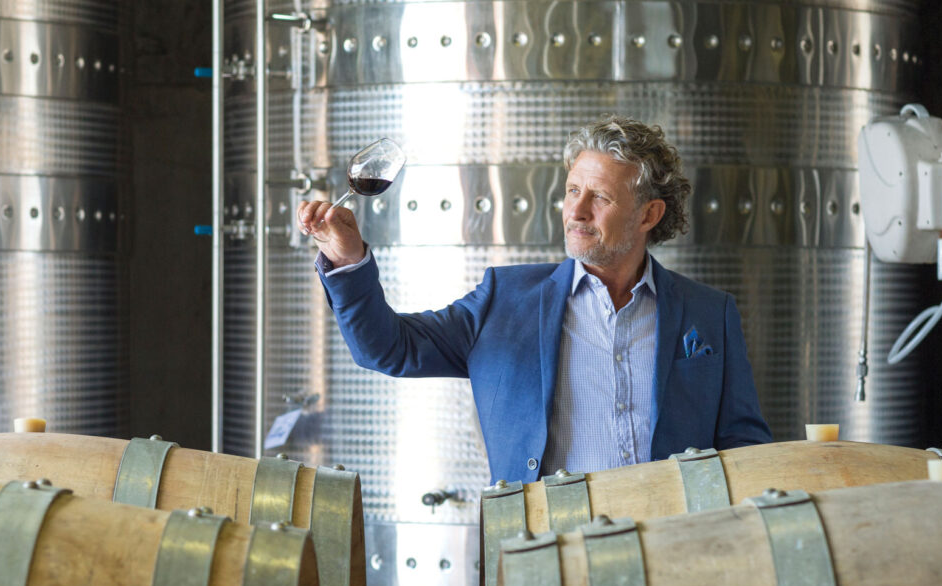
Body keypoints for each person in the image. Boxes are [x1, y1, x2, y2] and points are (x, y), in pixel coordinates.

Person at [298, 115, 771, 484]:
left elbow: (744, 449)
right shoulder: (505, 300)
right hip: (540, 556)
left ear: (650, 213)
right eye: (572, 191)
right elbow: (387, 348)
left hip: (669, 563)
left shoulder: (710, 314)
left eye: (600, 197)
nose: (577, 211)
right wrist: (348, 260)